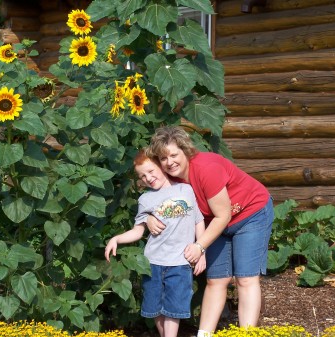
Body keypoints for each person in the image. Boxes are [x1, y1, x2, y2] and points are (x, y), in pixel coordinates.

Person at [146, 126, 274, 337]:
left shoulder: (206, 168)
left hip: (250, 213)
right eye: (163, 158)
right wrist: (151, 217)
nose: (169, 162)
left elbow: (222, 215)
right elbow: (159, 203)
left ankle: (247, 334)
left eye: (174, 155)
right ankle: (204, 335)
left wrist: (199, 246)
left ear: (185, 151)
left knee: (245, 278)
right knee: (216, 280)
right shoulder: (171, 179)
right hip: (215, 223)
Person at [104, 149, 206, 337]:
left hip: (180, 262)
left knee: (174, 308)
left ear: (161, 165)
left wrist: (202, 251)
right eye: (143, 176)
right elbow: (137, 231)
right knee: (155, 308)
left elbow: (198, 221)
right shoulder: (145, 199)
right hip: (153, 263)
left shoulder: (185, 189)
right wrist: (116, 238)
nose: (148, 178)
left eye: (151, 171)